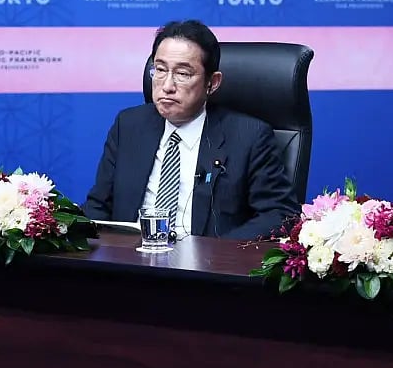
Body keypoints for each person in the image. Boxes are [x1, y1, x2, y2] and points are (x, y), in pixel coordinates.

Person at [84, 20, 298, 239]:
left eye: (183, 74)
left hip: (204, 266)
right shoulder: (128, 125)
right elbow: (98, 205)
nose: (167, 86)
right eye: (160, 70)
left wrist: (215, 254)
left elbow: (279, 213)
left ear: (212, 83)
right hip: (131, 262)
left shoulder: (248, 136)